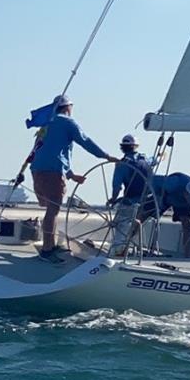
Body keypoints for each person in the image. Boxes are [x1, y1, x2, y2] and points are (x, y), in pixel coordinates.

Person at [30, 95, 118, 263]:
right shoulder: (68, 123)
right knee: (53, 209)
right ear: (68, 107)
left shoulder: (47, 123)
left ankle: (51, 244)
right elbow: (85, 141)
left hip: (37, 169)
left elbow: (51, 150)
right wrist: (105, 156)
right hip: (52, 172)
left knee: (51, 208)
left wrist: (70, 174)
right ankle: (47, 250)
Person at [150, 172, 190, 257]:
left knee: (186, 224)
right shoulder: (173, 183)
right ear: (186, 193)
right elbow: (152, 180)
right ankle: (128, 245)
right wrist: (156, 195)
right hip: (165, 196)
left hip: (181, 204)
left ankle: (187, 255)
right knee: (145, 215)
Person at [108, 134, 153, 206]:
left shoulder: (122, 165)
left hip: (131, 201)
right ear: (136, 146)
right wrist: (161, 156)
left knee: (119, 204)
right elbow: (154, 160)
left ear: (122, 148)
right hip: (149, 199)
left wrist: (113, 199)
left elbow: (116, 186)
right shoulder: (145, 159)